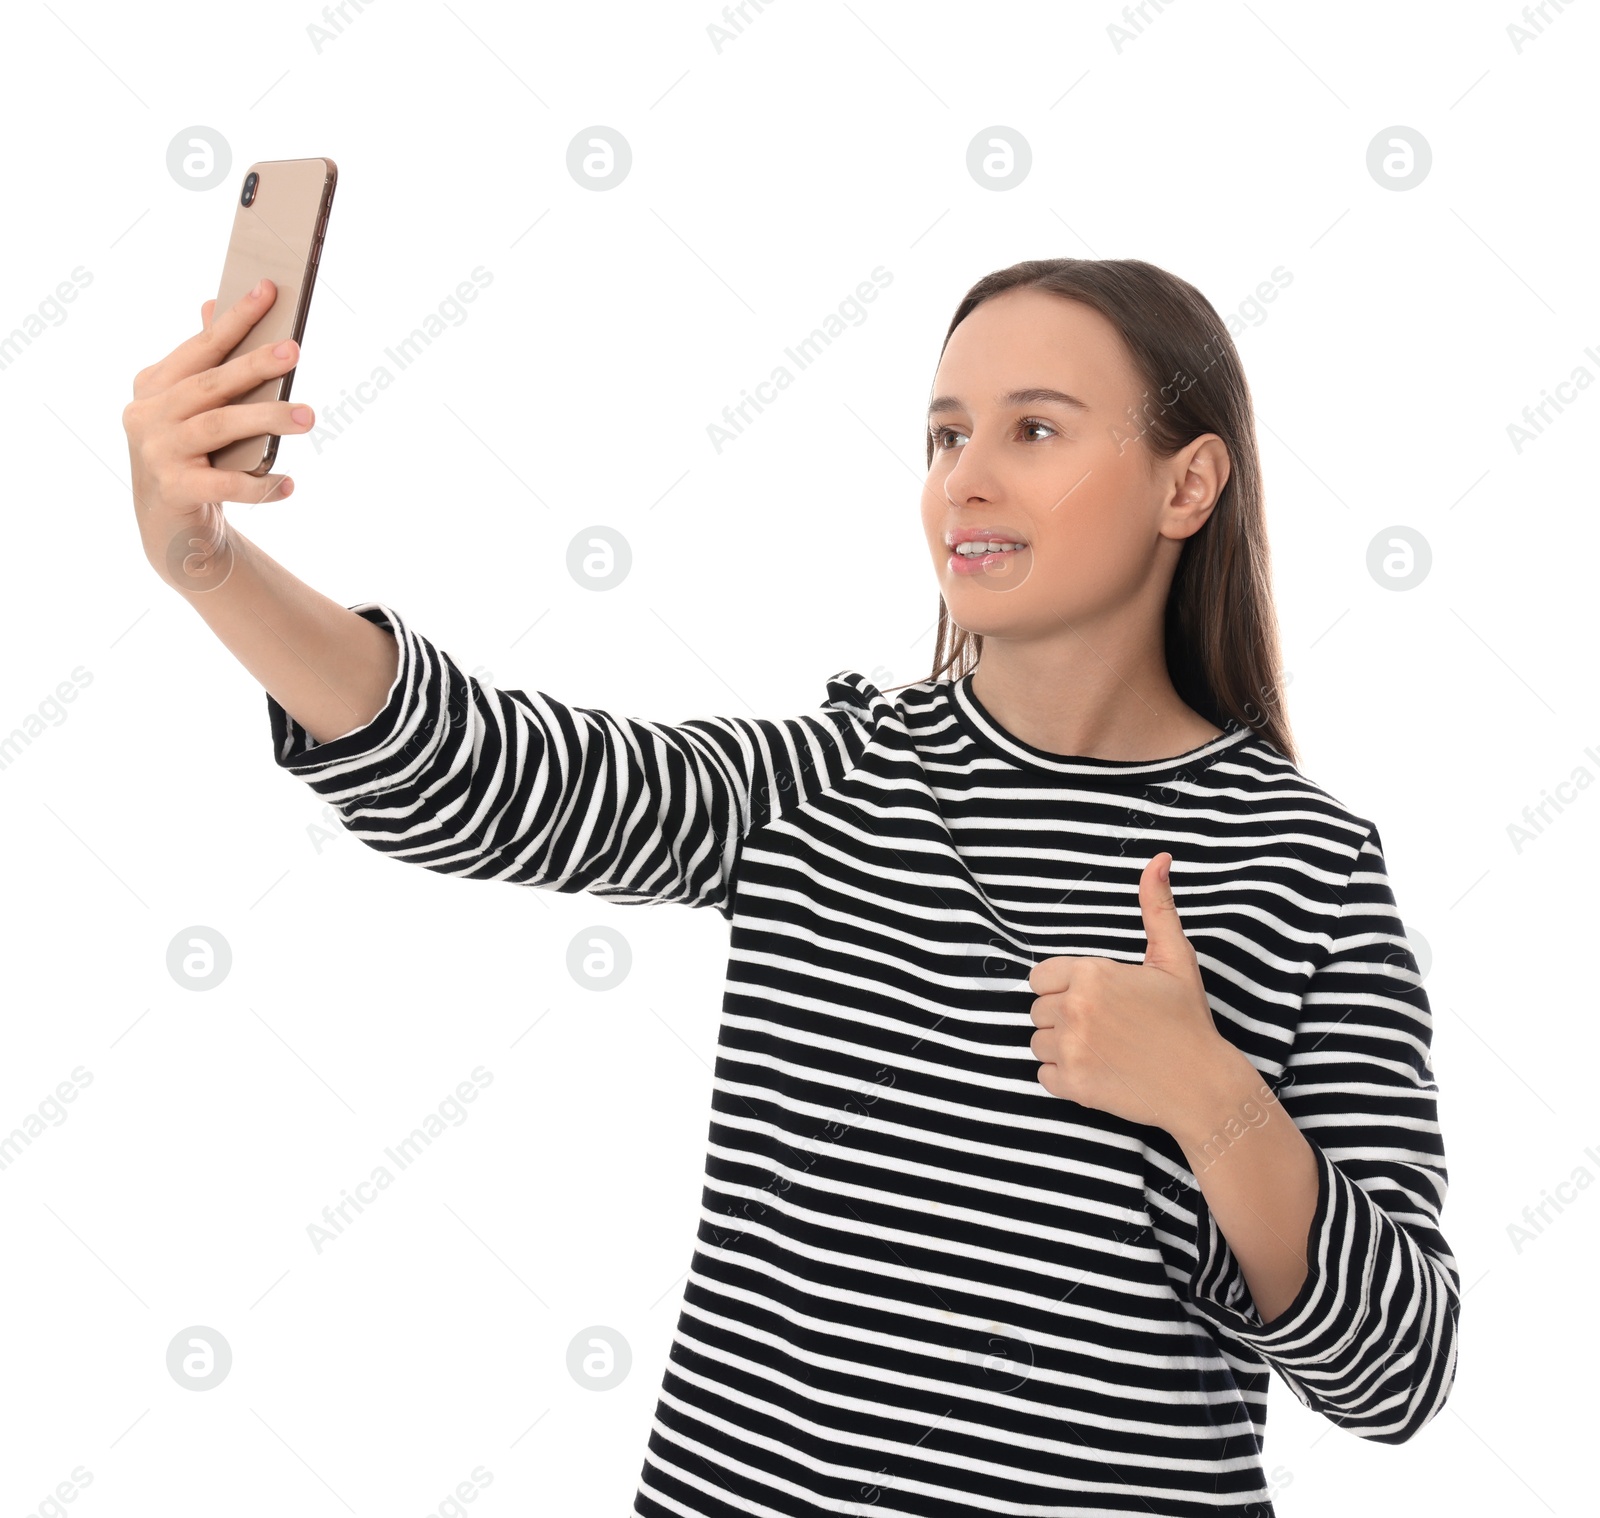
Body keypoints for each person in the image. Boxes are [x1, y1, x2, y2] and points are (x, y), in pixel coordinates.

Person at [123, 256, 1459, 1517]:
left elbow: (1399, 1370)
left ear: (1189, 484)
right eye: (944, 437)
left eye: (1034, 431)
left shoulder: (1311, 867)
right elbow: (490, 774)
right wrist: (211, 567)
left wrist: (1215, 1102)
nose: (964, 482)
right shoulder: (824, 781)